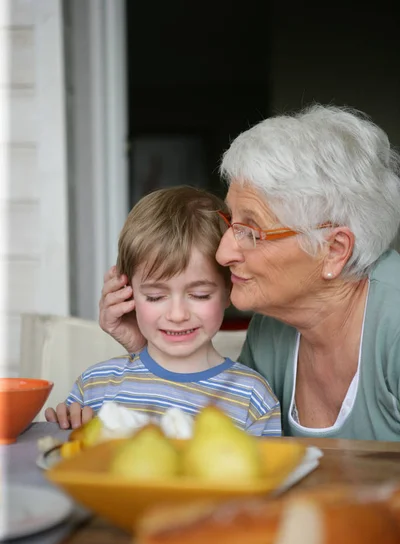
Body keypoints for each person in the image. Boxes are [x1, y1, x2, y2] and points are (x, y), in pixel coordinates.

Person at [99, 105, 400, 441]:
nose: (223, 252)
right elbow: (220, 435)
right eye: (232, 222)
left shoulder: (394, 325)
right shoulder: (272, 328)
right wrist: (152, 352)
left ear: (333, 250)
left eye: (252, 231)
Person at [45, 186, 281, 436]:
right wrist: (65, 430)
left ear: (228, 290)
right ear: (128, 292)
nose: (177, 315)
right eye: (155, 296)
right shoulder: (94, 388)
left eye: (200, 295)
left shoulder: (253, 400)